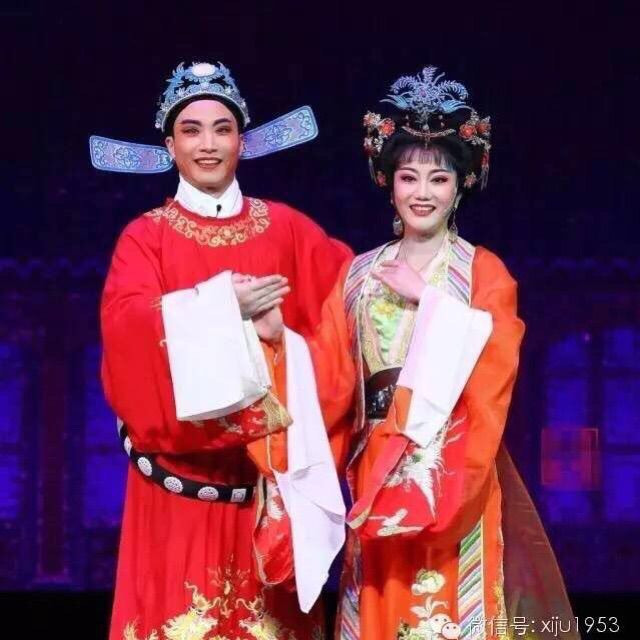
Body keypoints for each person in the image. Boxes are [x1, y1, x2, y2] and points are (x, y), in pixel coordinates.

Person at [256, 65, 577, 640]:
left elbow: (497, 362)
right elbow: (328, 376)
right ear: (389, 183)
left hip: (451, 464)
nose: (422, 193)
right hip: (374, 465)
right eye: (409, 177)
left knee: (446, 611)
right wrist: (282, 342)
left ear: (460, 187)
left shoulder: (482, 272)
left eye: (438, 179)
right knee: (379, 605)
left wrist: (428, 301)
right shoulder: (358, 276)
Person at [101, 60, 351, 640]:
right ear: (170, 146)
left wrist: (281, 340)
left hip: (268, 490)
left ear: (243, 140)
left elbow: (344, 314)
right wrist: (220, 307)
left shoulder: (289, 229)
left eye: (222, 129)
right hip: (174, 494)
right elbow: (125, 331)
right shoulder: (146, 237)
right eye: (191, 131)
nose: (208, 145)